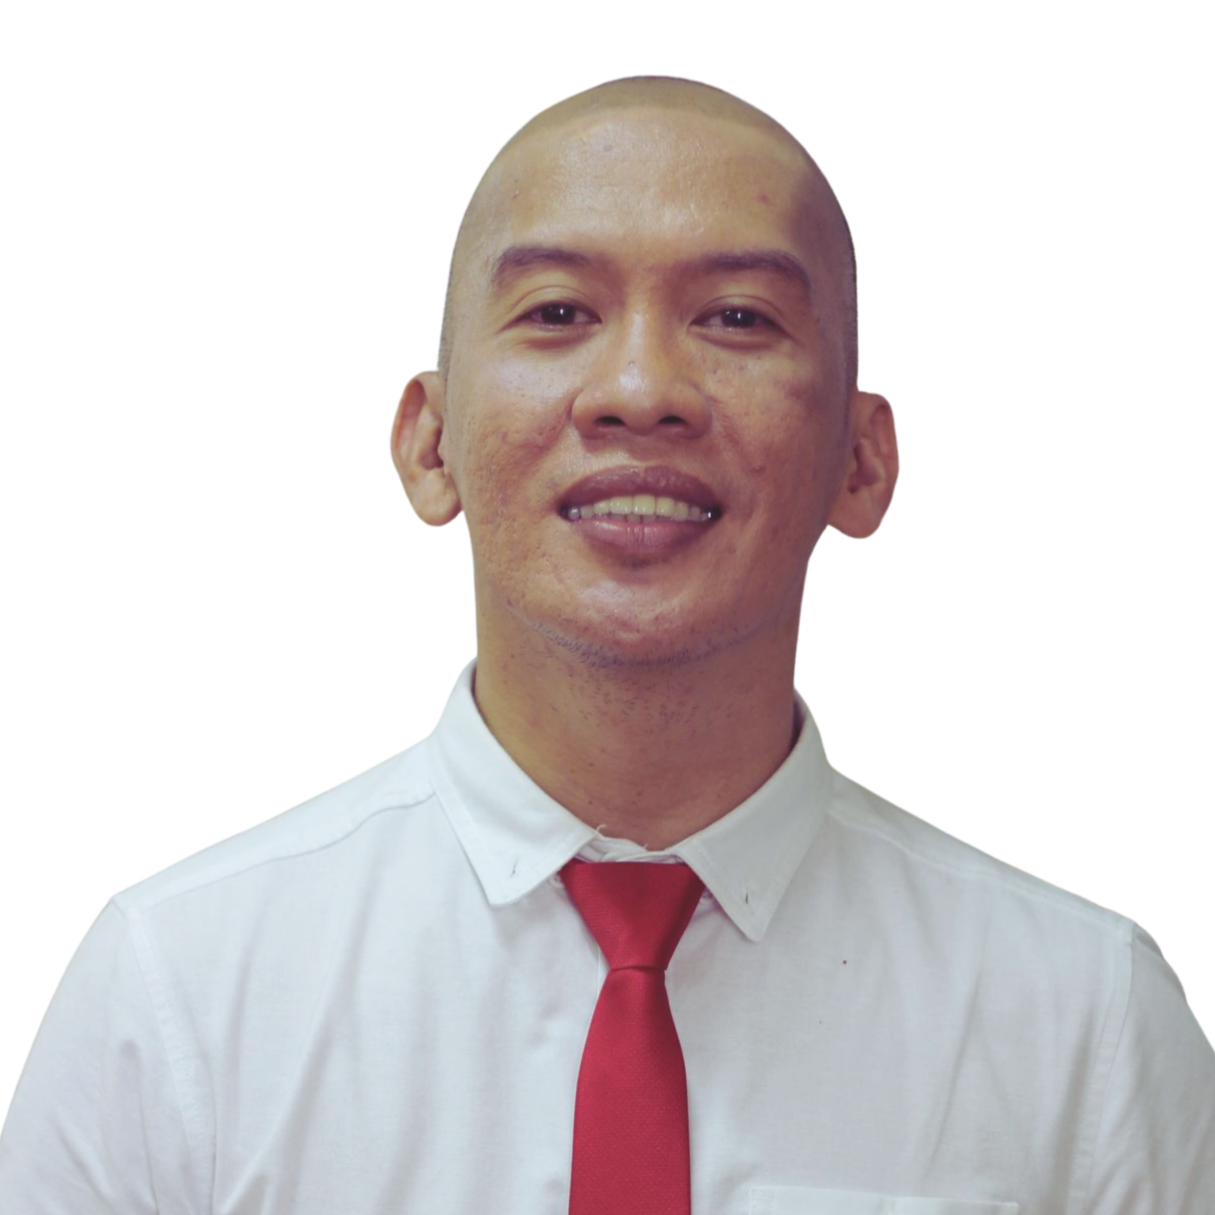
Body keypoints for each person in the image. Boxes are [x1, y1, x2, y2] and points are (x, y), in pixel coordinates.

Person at [1, 75, 1212, 1214]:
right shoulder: (174, 1003)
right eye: (558, 312)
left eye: (737, 317)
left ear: (861, 458)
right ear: (430, 444)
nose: (640, 388)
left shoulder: (1088, 1031)